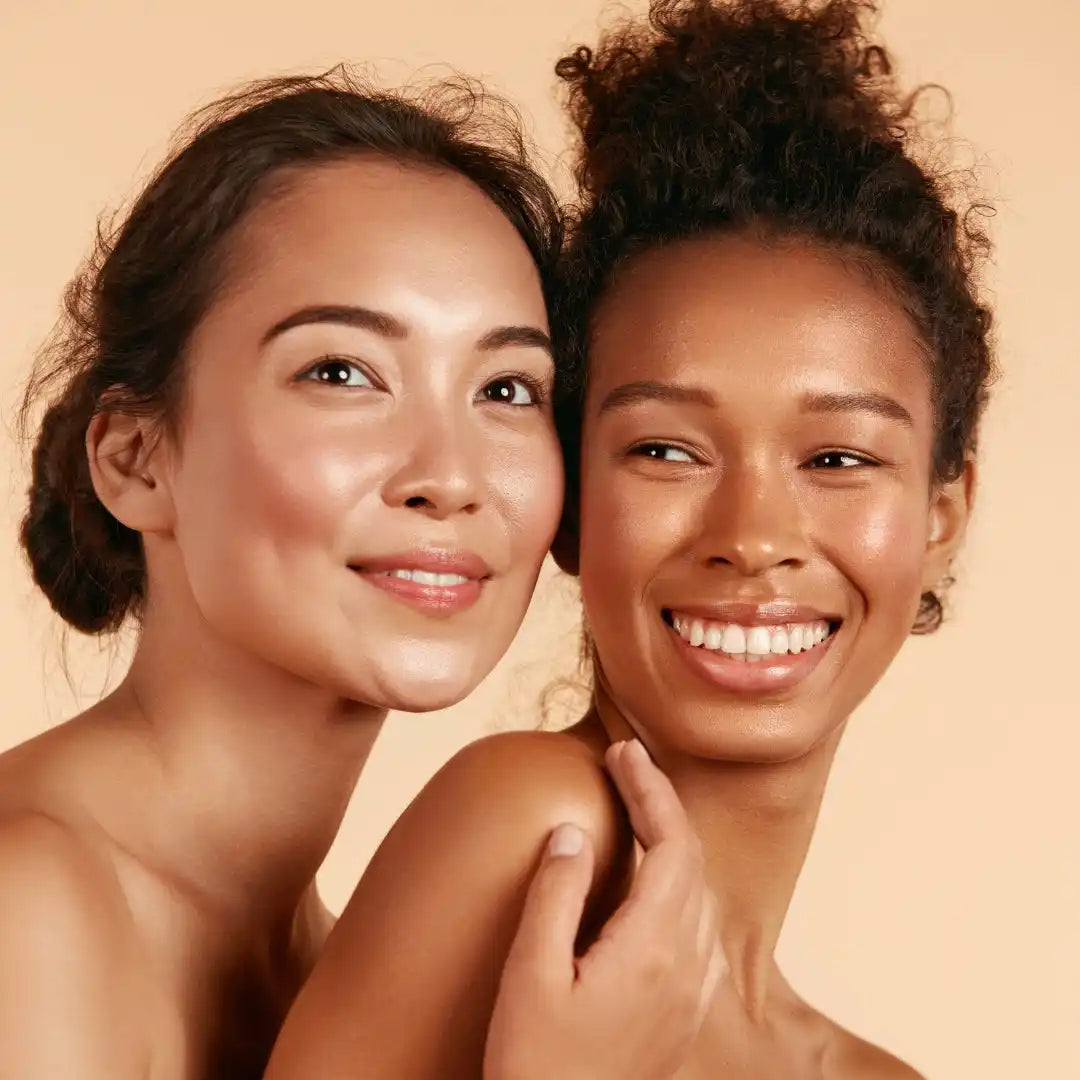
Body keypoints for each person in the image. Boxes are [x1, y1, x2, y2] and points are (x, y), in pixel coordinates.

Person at [266, 1, 995, 1077]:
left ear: (941, 517)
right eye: (666, 450)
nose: (753, 537)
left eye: (838, 460)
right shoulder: (533, 835)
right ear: (570, 504)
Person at [0, 69, 719, 1080]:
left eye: (507, 387)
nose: (450, 476)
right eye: (342, 372)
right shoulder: (26, 909)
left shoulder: (339, 976)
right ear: (135, 459)